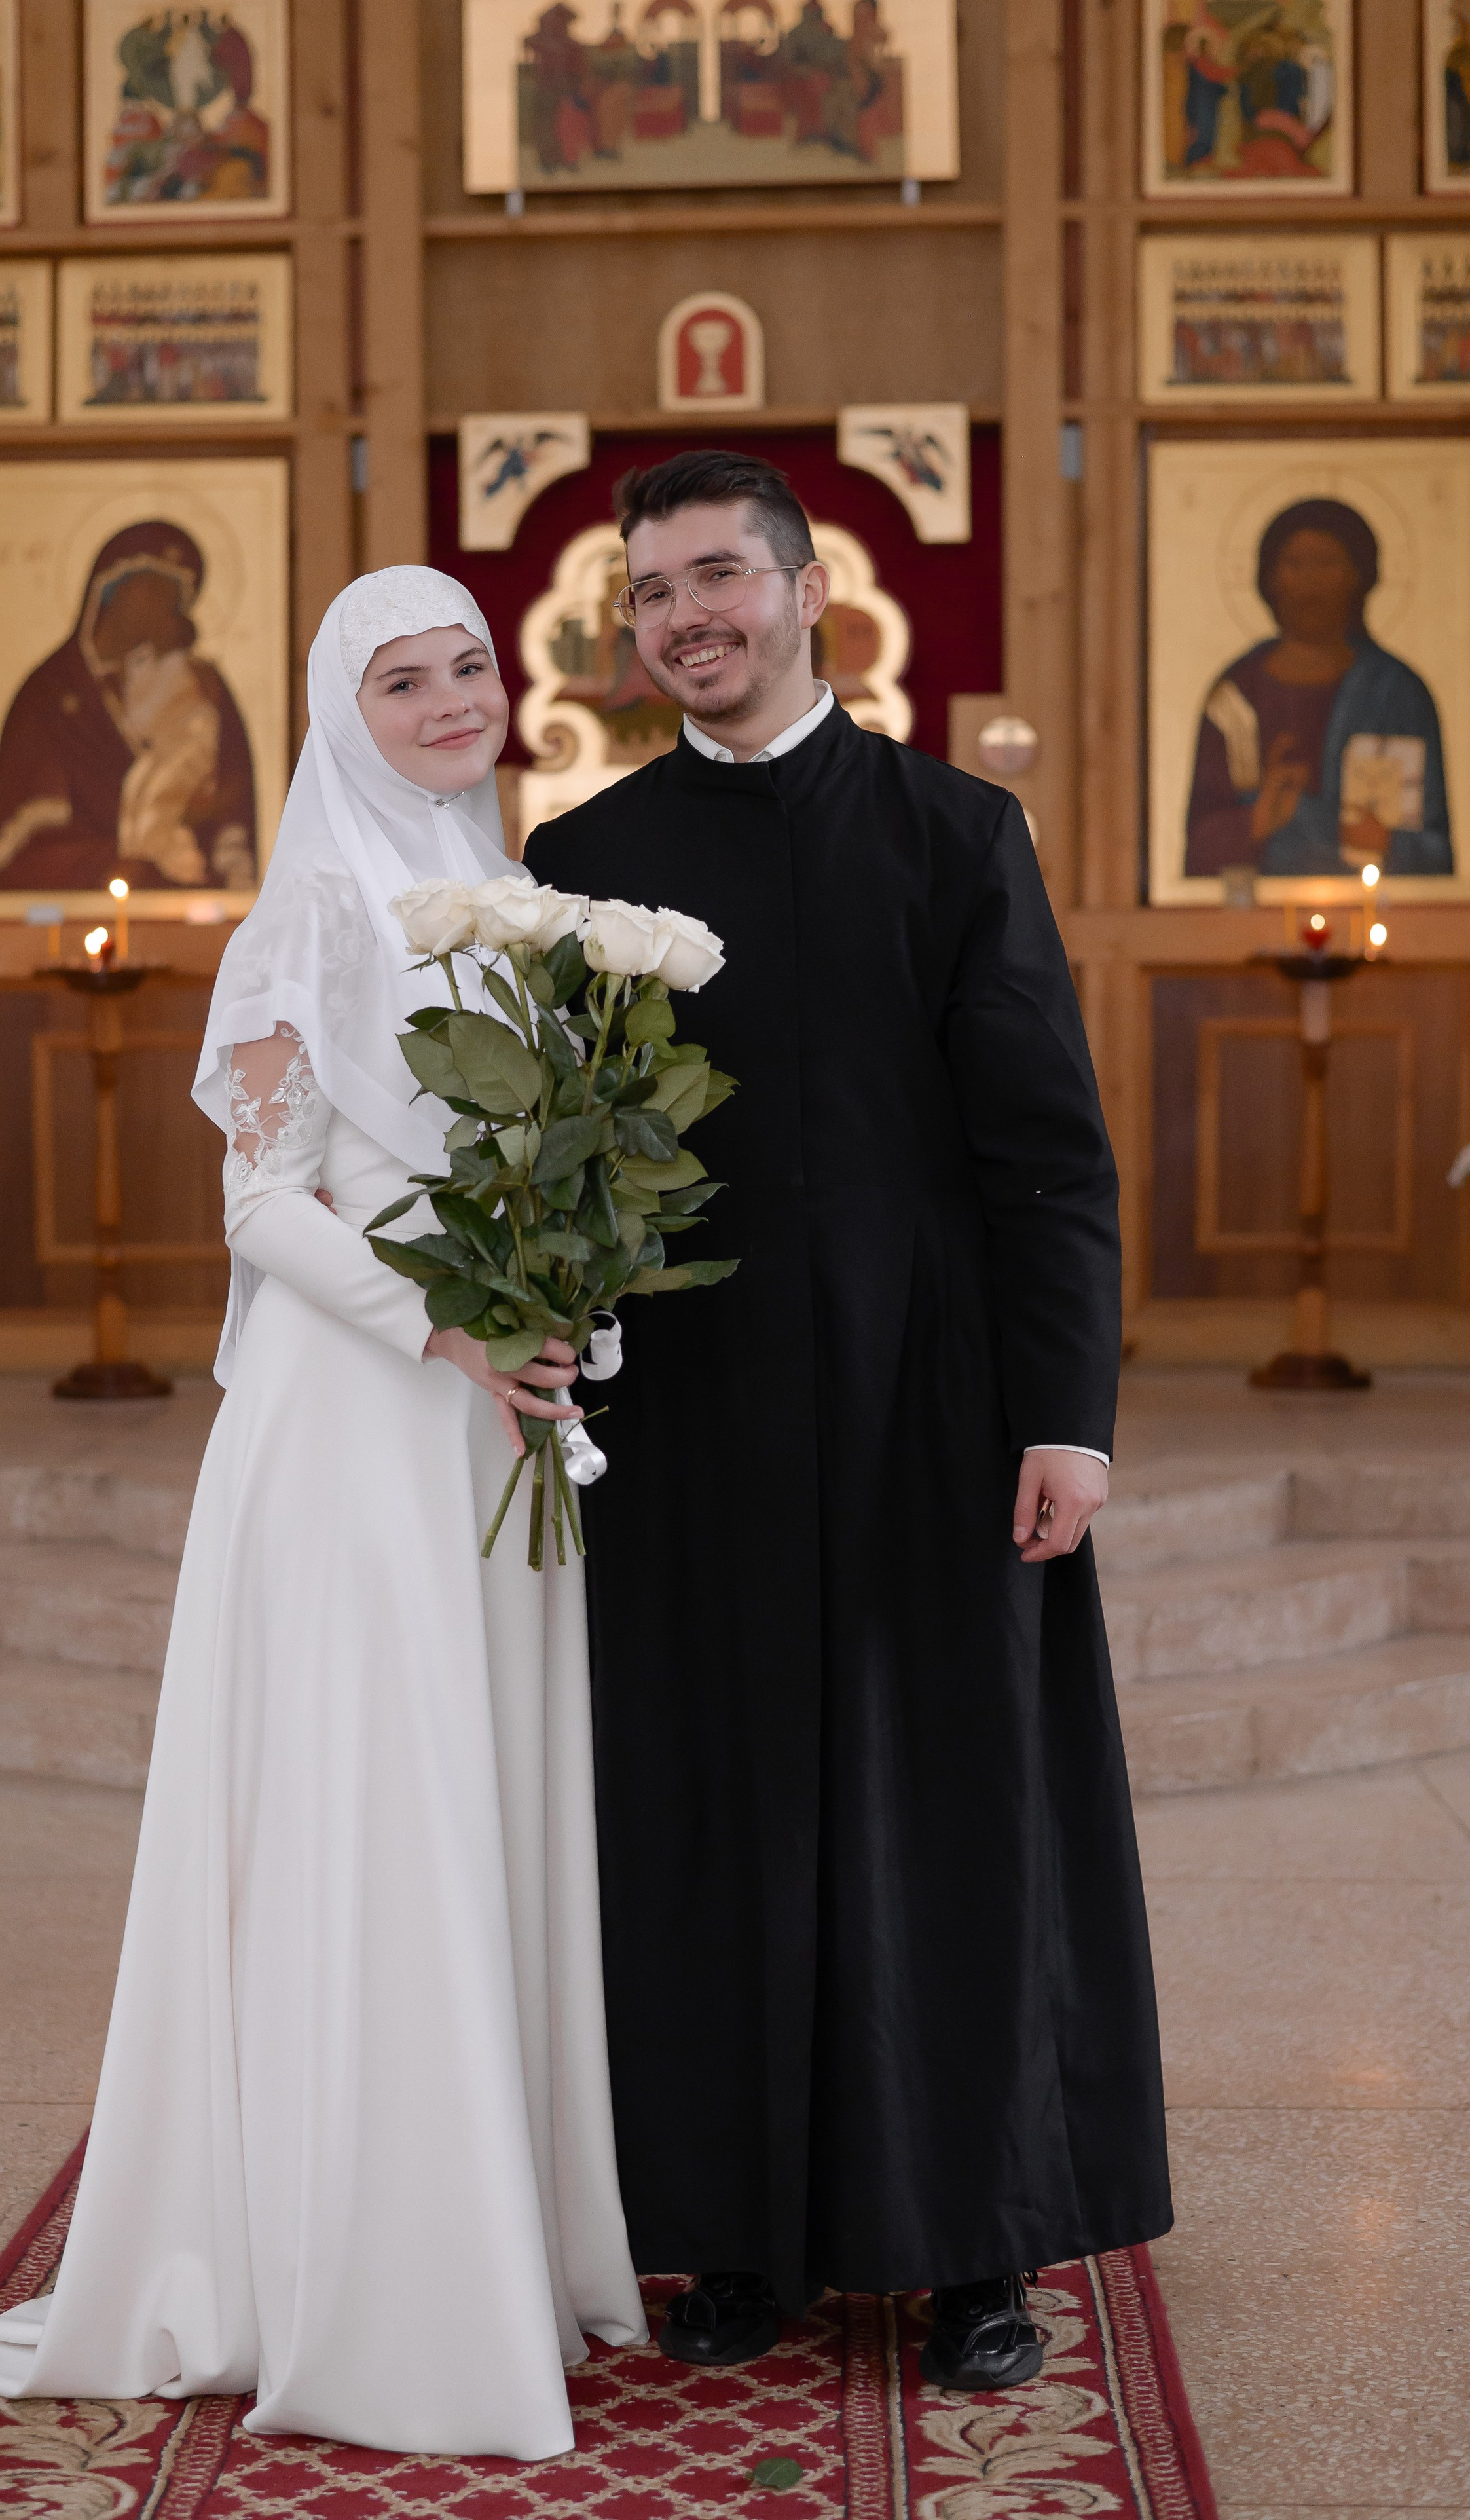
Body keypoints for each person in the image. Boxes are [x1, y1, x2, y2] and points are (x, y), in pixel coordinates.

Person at [0, 567, 646, 2456]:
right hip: (362, 1423)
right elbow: (261, 1206)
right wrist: (447, 1325)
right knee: (382, 1812)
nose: (449, 702)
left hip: (486, 1415)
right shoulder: (304, 918)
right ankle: (374, 2273)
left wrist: (557, 1297)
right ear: (343, 709)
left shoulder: (509, 901)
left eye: (471, 669)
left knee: (483, 1806)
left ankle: (496, 2226)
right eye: (403, 680)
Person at [524, 449, 1171, 2392]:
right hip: (687, 1417)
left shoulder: (954, 833)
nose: (685, 615)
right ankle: (728, 2236)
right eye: (651, 593)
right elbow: (550, 1165)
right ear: (627, 629)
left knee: (950, 1815)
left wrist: (1067, 1415)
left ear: (814, 597)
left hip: (931, 1399)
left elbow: (1045, 1156)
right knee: (704, 1816)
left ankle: (975, 2245)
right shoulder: (575, 862)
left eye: (718, 575)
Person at [1185, 496, 1452, 880]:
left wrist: (1388, 843)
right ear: (1271, 578)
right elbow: (1198, 849)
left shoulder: (1396, 691)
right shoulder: (1236, 699)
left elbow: (1438, 852)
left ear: (1357, 576)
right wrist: (1258, 819)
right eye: (1295, 564)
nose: (1310, 584)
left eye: (1327, 564)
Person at [0, 521, 257, 895]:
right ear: (110, 592)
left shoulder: (199, 683)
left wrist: (202, 812)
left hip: (180, 895)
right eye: (153, 591)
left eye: (175, 600)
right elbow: (23, 841)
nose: (167, 611)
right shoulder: (48, 694)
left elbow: (233, 798)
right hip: (84, 893)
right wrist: (110, 863)